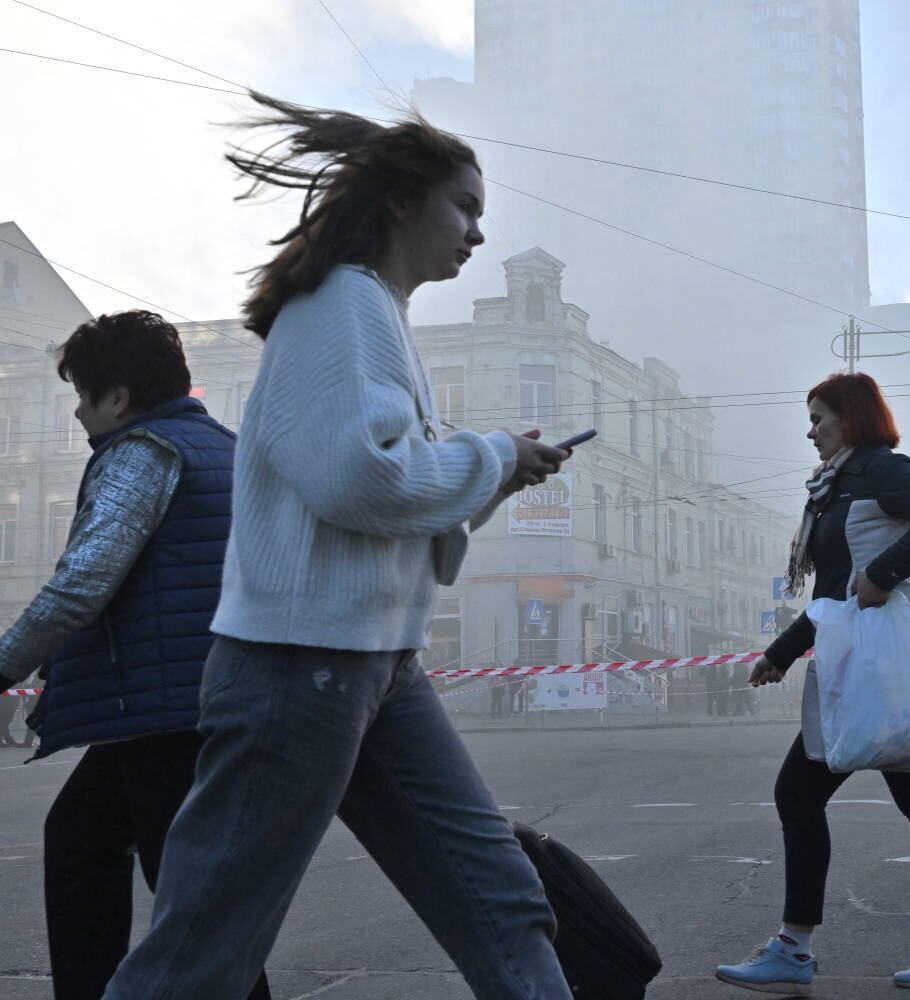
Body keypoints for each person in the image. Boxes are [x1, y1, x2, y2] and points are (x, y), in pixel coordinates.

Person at [101, 94, 572, 1000]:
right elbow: (359, 482)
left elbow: (380, 498)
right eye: (464, 207)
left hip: (375, 660)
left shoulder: (376, 312)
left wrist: (493, 474)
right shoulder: (340, 307)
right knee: (203, 951)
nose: (477, 232)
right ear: (400, 202)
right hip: (298, 668)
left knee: (499, 897)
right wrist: (487, 456)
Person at [0, 312, 272, 1000]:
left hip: (169, 714)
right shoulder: (225, 447)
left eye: (84, 395)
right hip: (191, 700)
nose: (78, 411)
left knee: (194, 903)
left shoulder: (142, 451)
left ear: (117, 397)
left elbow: (81, 585)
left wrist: (4, 664)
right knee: (83, 845)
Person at [716, 373, 910, 991]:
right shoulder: (838, 482)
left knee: (805, 793)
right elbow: (832, 589)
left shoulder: (879, 470)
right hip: (850, 657)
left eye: (820, 418)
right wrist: (782, 652)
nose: (810, 431)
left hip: (875, 662)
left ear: (852, 419)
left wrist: (887, 571)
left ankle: (796, 950)